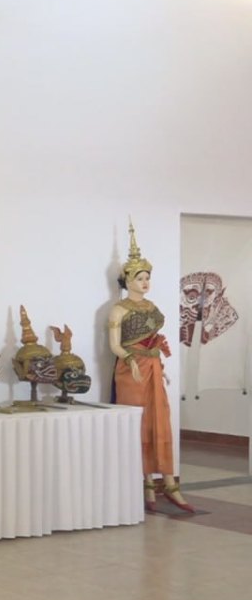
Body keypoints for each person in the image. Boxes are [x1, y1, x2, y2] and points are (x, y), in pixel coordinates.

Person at [109, 220, 194, 513]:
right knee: (140, 422)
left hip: (154, 366)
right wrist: (131, 360)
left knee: (160, 420)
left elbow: (154, 339)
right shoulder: (118, 310)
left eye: (147, 278)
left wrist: (160, 366)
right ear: (127, 280)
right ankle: (146, 482)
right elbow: (115, 345)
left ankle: (168, 481)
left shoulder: (152, 307)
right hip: (131, 370)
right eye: (140, 278)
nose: (145, 283)